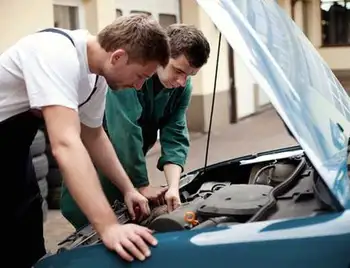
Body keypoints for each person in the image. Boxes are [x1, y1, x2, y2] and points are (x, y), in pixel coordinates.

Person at [0, 14, 170, 267]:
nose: (138, 86)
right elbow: (66, 145)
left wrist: (128, 189)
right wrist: (109, 227)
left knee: (27, 237)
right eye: (140, 76)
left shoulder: (95, 78)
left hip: (13, 152)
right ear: (118, 57)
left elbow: (94, 136)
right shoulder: (55, 53)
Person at [60, 24, 210, 229]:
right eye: (178, 70)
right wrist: (142, 185)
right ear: (163, 56)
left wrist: (174, 187)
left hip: (129, 165)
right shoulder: (131, 76)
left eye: (189, 76)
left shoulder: (180, 87)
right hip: (97, 162)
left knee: (127, 219)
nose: (182, 81)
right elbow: (125, 131)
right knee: (92, 225)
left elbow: (175, 134)